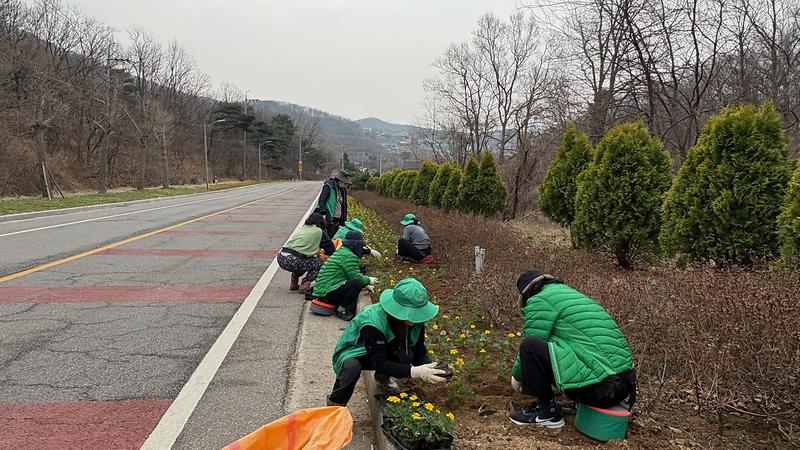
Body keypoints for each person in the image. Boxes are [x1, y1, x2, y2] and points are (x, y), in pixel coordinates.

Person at [508, 269, 636, 429]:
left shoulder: (540, 299)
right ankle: (577, 404)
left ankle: (547, 413)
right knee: (569, 342)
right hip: (623, 387)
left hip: (602, 389)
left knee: (530, 345)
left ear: (526, 294)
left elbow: (534, 339)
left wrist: (517, 376)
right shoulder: (572, 296)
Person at [327, 278, 446, 406]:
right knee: (351, 367)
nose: (416, 319)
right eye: (413, 314)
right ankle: (336, 403)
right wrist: (416, 372)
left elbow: (418, 351)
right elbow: (379, 363)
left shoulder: (415, 322)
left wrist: (434, 368)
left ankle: (382, 377)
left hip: (384, 348)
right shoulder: (373, 322)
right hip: (358, 351)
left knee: (407, 355)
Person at [310, 231, 377, 321]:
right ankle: (342, 310)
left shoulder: (342, 251)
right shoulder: (349, 256)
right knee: (357, 282)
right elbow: (356, 278)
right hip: (327, 293)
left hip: (323, 291)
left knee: (357, 282)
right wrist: (368, 280)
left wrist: (365, 285)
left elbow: (351, 273)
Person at [277, 213, 335, 294]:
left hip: (281, 257)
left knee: (304, 260)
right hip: (293, 260)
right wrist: (323, 252)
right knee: (318, 262)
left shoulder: (302, 228)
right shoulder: (319, 231)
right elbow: (331, 248)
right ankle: (306, 283)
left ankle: (294, 282)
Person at [316, 170, 350, 238]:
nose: (345, 185)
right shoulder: (329, 186)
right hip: (328, 219)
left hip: (337, 221)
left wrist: (343, 222)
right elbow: (322, 200)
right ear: (340, 181)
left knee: (335, 240)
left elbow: (344, 207)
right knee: (328, 240)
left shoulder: (342, 190)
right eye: (345, 183)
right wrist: (323, 213)